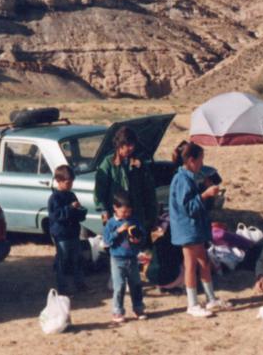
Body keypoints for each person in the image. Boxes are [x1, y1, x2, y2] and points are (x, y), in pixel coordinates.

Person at [168, 141, 230, 318]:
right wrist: (206, 194)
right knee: (191, 265)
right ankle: (192, 304)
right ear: (190, 160)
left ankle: (211, 299)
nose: (202, 164)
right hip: (188, 230)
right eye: (201, 160)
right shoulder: (182, 180)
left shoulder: (188, 178)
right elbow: (189, 207)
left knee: (204, 262)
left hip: (194, 229)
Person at [94, 126, 156, 231]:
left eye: (132, 145)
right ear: (120, 145)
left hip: (136, 214)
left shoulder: (138, 163)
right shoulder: (109, 163)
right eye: (128, 145)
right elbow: (99, 190)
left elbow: (148, 190)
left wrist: (152, 215)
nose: (131, 148)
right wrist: (104, 211)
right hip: (117, 215)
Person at [102, 190, 147, 323]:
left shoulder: (134, 220)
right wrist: (118, 231)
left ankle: (138, 308)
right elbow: (106, 241)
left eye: (129, 212)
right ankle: (117, 311)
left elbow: (142, 235)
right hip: (117, 259)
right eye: (123, 212)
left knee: (136, 284)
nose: (126, 215)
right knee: (120, 285)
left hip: (132, 258)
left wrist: (137, 239)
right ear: (115, 208)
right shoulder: (111, 224)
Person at [47, 165, 87, 294]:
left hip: (73, 233)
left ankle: (79, 284)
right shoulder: (54, 198)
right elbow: (57, 216)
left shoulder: (71, 195)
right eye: (68, 183)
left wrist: (81, 211)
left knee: (77, 259)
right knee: (63, 261)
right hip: (61, 234)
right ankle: (63, 288)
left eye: (71, 183)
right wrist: (70, 208)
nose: (70, 185)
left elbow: (78, 215)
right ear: (58, 181)